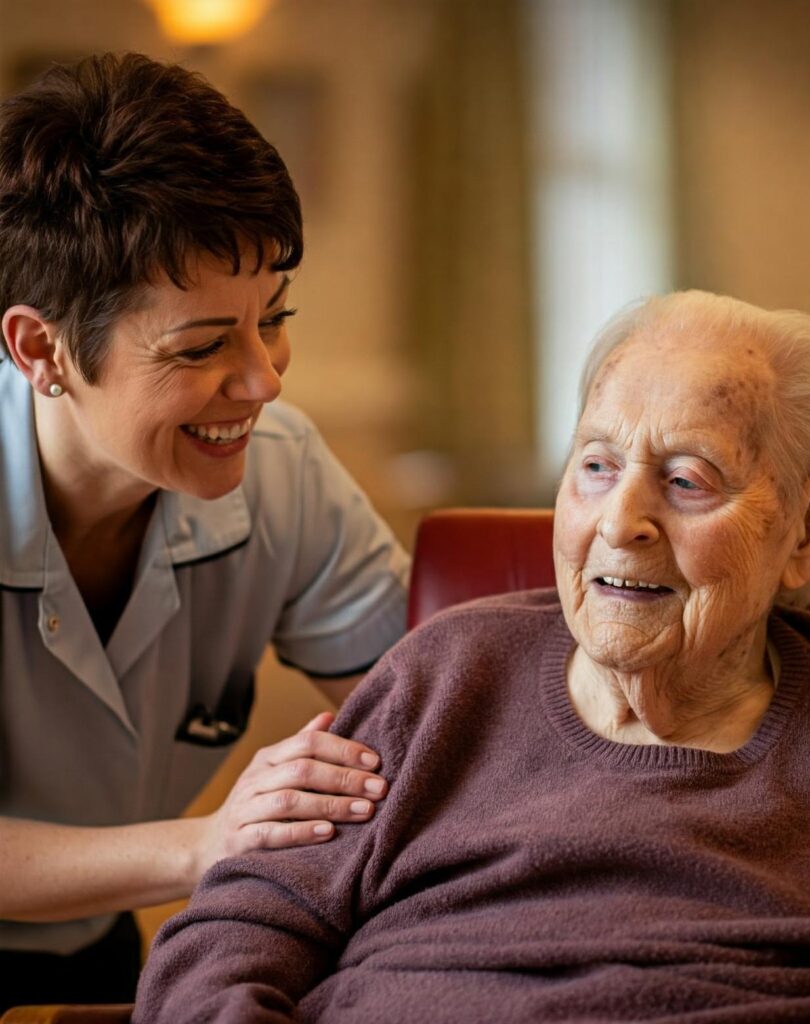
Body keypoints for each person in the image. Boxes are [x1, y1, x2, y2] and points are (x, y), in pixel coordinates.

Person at [135, 291, 810, 1023]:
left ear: (809, 526)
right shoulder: (441, 681)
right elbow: (236, 932)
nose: (620, 522)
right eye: (596, 467)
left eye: (686, 480)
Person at [0, 53, 410, 1009]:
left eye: (274, 320)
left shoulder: (282, 470)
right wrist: (208, 842)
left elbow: (424, 711)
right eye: (203, 346)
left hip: (90, 945)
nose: (265, 378)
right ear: (39, 348)